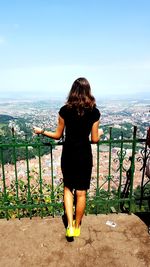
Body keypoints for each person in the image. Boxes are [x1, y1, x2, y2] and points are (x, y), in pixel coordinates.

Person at [33, 77, 103, 239]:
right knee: (81, 193)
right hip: (84, 155)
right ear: (88, 92)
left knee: (68, 189)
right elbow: (94, 139)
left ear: (73, 91)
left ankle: (69, 226)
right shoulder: (95, 112)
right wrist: (99, 133)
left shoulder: (64, 110)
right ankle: (78, 226)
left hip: (69, 154)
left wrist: (42, 131)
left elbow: (58, 135)